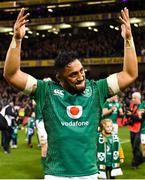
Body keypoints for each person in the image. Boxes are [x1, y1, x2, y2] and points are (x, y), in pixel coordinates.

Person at [3, 7, 138, 180]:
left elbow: (130, 74)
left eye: (81, 71)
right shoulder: (47, 91)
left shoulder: (97, 89)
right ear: (60, 78)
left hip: (89, 174)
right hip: (56, 175)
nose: (81, 76)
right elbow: (11, 74)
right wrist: (16, 40)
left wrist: (128, 40)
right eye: (73, 74)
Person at [125, 92, 143, 169]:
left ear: (138, 99)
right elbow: (129, 115)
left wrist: (130, 115)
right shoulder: (132, 105)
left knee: (136, 146)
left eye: (134, 98)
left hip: (139, 129)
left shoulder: (141, 107)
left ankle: (135, 163)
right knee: (134, 146)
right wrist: (127, 114)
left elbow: (140, 119)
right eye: (132, 98)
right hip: (132, 128)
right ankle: (139, 160)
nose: (132, 99)